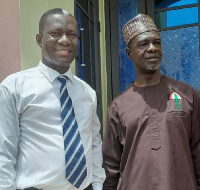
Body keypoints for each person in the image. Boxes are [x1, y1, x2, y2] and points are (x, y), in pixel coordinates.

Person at [0, 8, 105, 190]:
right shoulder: (15, 87)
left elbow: (94, 143)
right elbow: (3, 151)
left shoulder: (87, 93)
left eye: (71, 34)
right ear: (40, 40)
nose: (65, 40)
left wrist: (97, 185)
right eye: (55, 33)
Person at [102, 13, 200, 190]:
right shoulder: (118, 106)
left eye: (157, 42)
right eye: (143, 44)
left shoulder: (187, 95)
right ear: (129, 54)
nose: (153, 48)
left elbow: (198, 149)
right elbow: (111, 166)